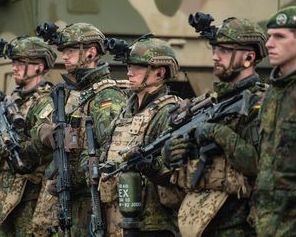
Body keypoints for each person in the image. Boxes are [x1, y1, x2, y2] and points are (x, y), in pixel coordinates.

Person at [162, 17, 268, 236]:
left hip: (240, 225)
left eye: (225, 50)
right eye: (214, 49)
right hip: (199, 219)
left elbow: (258, 164)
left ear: (249, 58)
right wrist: (171, 153)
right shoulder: (209, 103)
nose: (215, 56)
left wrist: (216, 132)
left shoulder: (260, 103)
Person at [29, 22, 129, 236]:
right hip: (60, 198)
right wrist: (43, 133)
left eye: (71, 50)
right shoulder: (65, 93)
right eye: (63, 51)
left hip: (89, 202)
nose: (64, 56)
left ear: (91, 52)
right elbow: (37, 128)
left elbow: (110, 152)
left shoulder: (107, 97)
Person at [99, 36, 182, 236]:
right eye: (129, 66)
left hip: (151, 224)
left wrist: (148, 164)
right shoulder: (125, 112)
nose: (130, 72)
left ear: (160, 73)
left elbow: (176, 171)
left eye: (138, 67)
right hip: (118, 220)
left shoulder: (169, 112)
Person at [0, 36, 57, 236]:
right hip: (1, 196)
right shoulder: (13, 99)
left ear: (39, 66)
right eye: (14, 62)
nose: (14, 67)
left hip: (29, 197)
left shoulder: (47, 102)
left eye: (21, 63)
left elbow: (36, 154)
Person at [253, 5, 296, 237]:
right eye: (269, 36)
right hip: (270, 223)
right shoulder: (273, 92)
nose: (269, 44)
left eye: (279, 36)